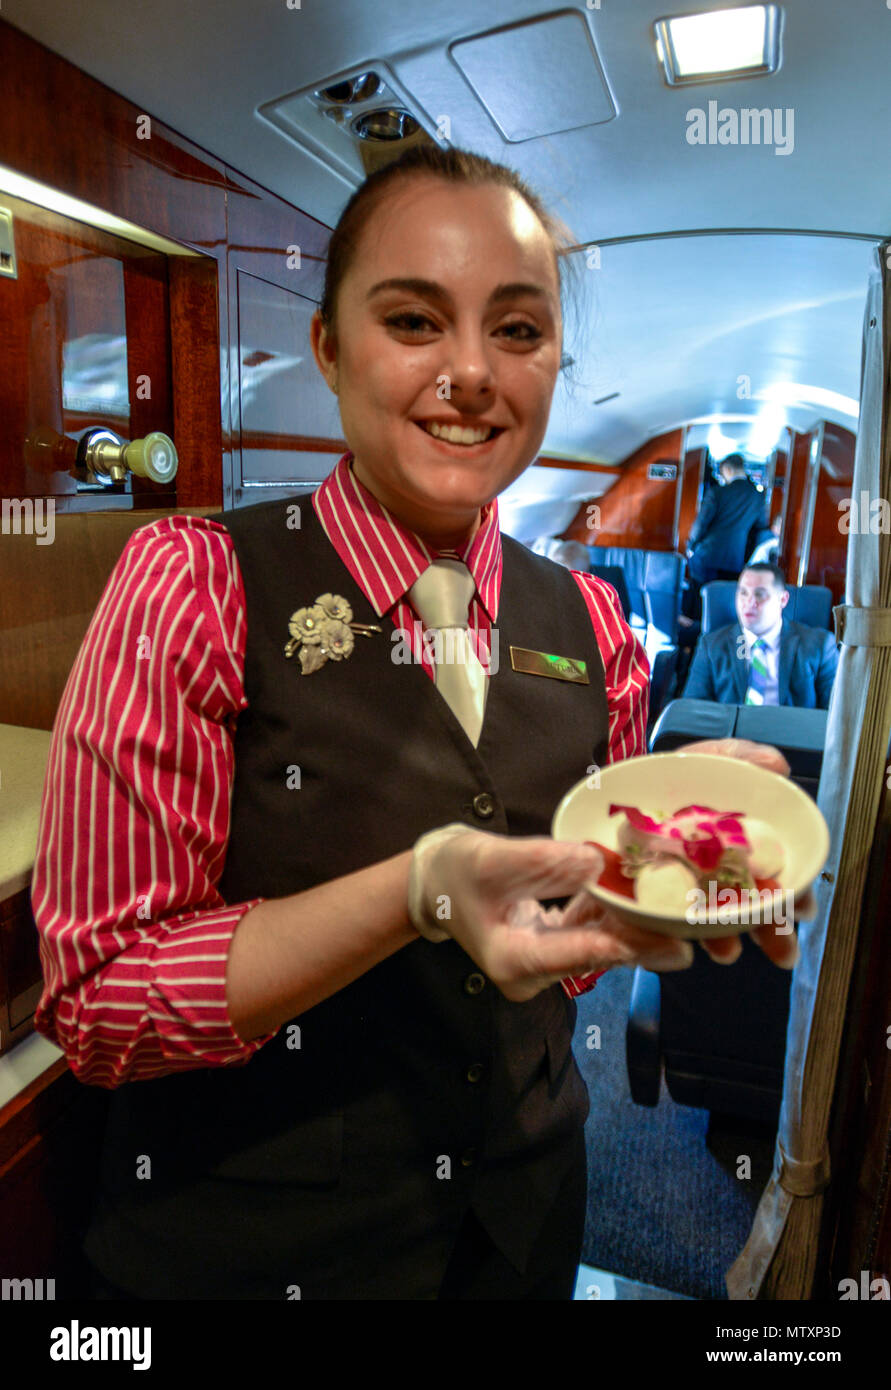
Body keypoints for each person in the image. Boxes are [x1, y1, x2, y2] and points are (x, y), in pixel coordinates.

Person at [31, 145, 804, 1303]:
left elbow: (564, 956)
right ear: (331, 348)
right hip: (251, 1252)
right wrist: (419, 887)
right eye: (412, 320)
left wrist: (654, 873)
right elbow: (99, 998)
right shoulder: (194, 583)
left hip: (527, 1227)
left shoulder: (593, 623)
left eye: (518, 331)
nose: (471, 373)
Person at [682, 563, 838, 708]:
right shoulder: (711, 646)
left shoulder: (820, 646)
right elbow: (693, 712)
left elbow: (834, 715)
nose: (749, 602)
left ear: (783, 599)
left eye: (760, 594)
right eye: (743, 593)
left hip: (792, 735)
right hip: (730, 737)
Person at [683, 454, 767, 621]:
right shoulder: (758, 497)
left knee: (701, 599)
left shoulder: (718, 493)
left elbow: (701, 523)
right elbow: (759, 529)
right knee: (724, 602)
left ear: (727, 469)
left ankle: (695, 638)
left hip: (707, 556)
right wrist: (745, 557)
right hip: (734, 560)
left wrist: (691, 546)